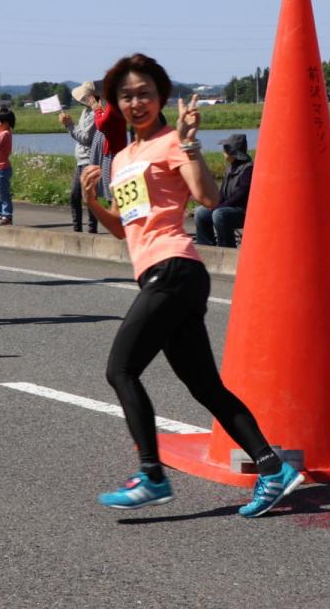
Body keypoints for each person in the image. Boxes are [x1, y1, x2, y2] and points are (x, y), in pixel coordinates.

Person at [81, 52, 303, 518]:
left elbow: (208, 197)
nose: (136, 103)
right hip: (159, 272)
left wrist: (190, 145)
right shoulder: (121, 158)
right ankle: (272, 467)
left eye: (145, 93)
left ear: (161, 96)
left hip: (174, 268)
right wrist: (92, 202)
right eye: (126, 96)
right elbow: (123, 228)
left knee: (120, 370)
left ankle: (151, 475)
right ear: (116, 103)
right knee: (204, 385)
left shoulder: (170, 143)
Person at [194, 133, 253, 248]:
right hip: (227, 207)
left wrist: (220, 206)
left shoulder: (248, 169)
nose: (223, 152)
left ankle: (226, 247)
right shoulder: (230, 168)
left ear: (233, 152)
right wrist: (213, 204)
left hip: (242, 211)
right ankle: (206, 246)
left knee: (219, 214)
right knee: (201, 212)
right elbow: (222, 193)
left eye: (225, 149)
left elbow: (241, 194)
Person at [59, 80, 101, 234]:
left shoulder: (95, 113)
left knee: (87, 197)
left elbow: (85, 138)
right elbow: (81, 134)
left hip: (89, 160)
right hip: (81, 160)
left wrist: (70, 125)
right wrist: (71, 125)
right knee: (76, 196)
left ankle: (91, 230)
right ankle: (78, 229)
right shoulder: (86, 111)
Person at [0, 109, 15, 226]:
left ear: (5, 123)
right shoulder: (4, 133)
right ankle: (1, 214)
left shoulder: (4, 134)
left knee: (3, 193)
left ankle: (7, 215)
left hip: (1, 168)